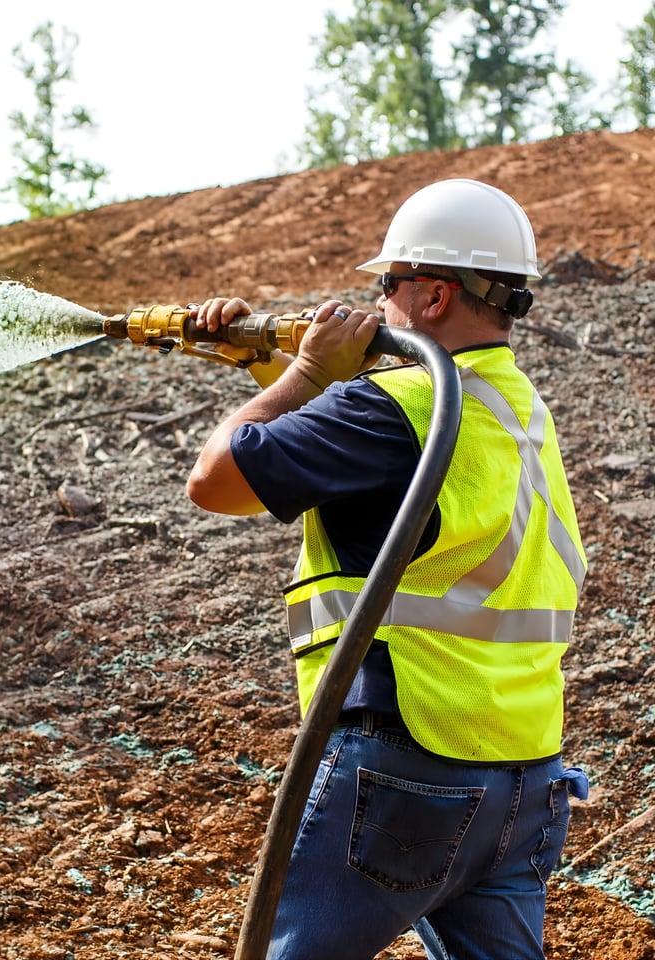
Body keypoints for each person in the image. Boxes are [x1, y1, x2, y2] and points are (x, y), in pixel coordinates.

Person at [186, 178, 589, 960]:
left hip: (409, 769)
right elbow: (368, 465)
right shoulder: (514, 408)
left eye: (388, 284)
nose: (380, 303)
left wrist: (300, 379)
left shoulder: (393, 407)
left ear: (435, 296)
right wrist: (278, 374)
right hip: (526, 779)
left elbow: (216, 481)